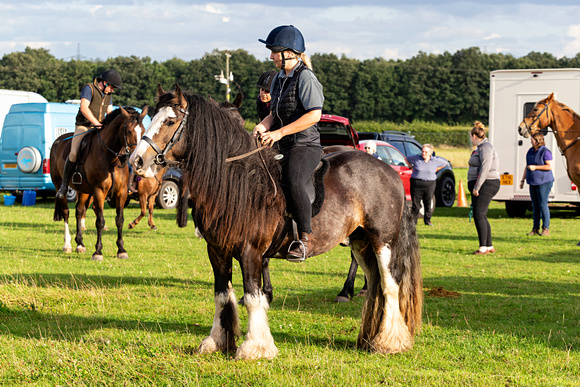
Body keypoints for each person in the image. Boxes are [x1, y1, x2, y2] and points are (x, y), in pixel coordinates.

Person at [253, 25, 324, 262]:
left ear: (289, 53)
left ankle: (305, 239)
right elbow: (273, 113)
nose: (271, 56)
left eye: (274, 51)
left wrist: (279, 133)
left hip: (305, 146)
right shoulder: (279, 80)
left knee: (292, 180)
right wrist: (262, 126)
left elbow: (314, 115)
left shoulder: (306, 78)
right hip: (282, 143)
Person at [55, 69, 122, 199]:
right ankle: (64, 185)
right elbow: (84, 108)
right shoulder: (89, 88)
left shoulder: (108, 94)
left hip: (100, 128)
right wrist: (96, 123)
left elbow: (109, 112)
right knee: (74, 153)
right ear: (105, 83)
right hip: (84, 126)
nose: (112, 90)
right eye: (112, 87)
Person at [467, 121, 500, 255]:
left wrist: (477, 186)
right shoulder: (480, 147)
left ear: (475, 136)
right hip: (483, 183)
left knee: (479, 215)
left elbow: (485, 167)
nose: (470, 139)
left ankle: (483, 247)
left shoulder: (485, 147)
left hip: (487, 183)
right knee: (482, 215)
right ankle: (489, 245)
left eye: (471, 136)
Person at [519, 132, 554, 236]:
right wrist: (522, 180)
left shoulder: (545, 151)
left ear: (538, 140)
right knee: (535, 205)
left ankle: (546, 228)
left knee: (543, 204)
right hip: (533, 181)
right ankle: (535, 229)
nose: (531, 141)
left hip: (544, 181)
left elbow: (549, 166)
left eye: (533, 139)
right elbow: (527, 166)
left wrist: (536, 167)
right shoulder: (530, 151)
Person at [407, 144, 447, 226]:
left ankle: (427, 220)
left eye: (426, 152)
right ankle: (413, 221)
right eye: (422, 151)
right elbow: (406, 158)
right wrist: (410, 166)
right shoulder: (416, 158)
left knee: (428, 202)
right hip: (416, 183)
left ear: (430, 153)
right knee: (415, 203)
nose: (424, 153)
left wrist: (436, 169)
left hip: (430, 184)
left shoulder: (435, 160)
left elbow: (444, 163)